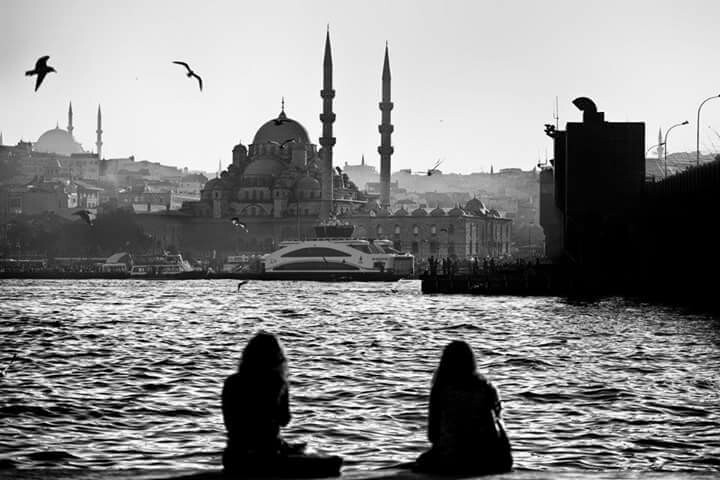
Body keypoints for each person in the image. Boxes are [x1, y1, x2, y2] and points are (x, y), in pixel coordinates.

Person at [222, 331, 342, 476]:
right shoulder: (276, 382)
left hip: (234, 457)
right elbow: (284, 420)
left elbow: (229, 423)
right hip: (266, 457)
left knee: (296, 450)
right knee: (333, 462)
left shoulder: (231, 382)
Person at [413, 340, 512, 475]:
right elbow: (498, 424)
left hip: (452, 459)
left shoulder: (441, 389)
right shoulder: (487, 387)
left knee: (421, 462)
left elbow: (433, 435)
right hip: (488, 459)